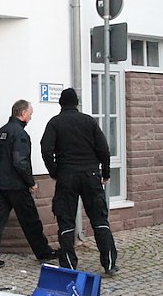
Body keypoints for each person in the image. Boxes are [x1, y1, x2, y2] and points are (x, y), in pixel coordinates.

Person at [40, 88, 119, 275]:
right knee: (99, 218)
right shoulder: (89, 121)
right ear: (76, 103)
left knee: (65, 220)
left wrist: (55, 172)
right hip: (91, 174)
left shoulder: (55, 123)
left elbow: (46, 149)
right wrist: (105, 173)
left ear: (61, 103)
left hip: (67, 175)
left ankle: (68, 264)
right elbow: (103, 149)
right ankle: (109, 263)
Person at [0, 99, 58, 269]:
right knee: (31, 221)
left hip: (0, 185)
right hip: (16, 186)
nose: (31, 118)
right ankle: (43, 252)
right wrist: (31, 182)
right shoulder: (20, 134)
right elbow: (20, 162)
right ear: (22, 114)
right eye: (30, 114)